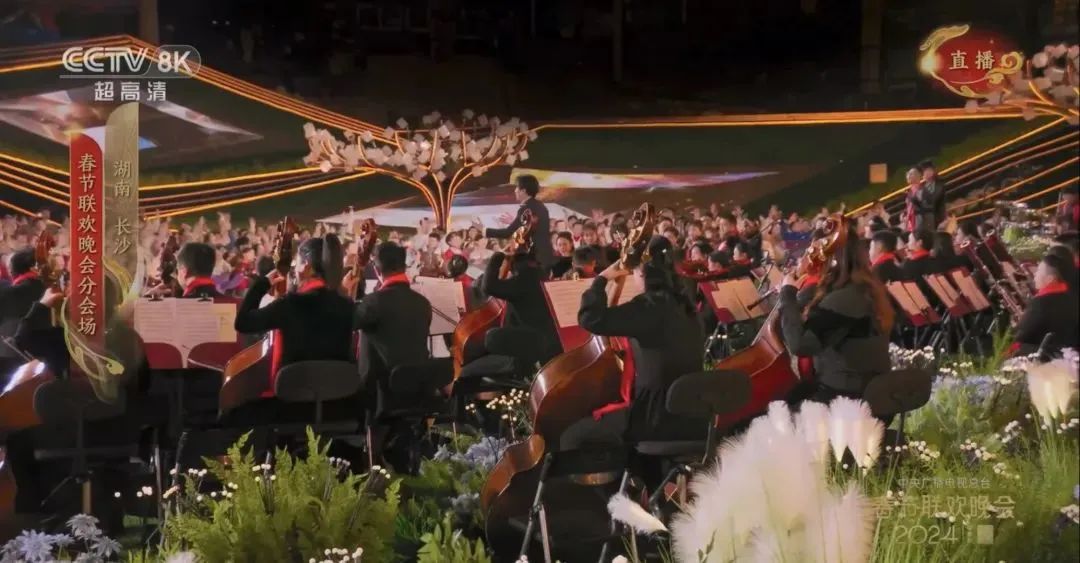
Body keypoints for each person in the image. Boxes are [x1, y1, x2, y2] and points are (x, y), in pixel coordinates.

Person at [560, 236, 706, 452]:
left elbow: (590, 318)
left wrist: (601, 279)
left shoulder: (649, 306)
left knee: (572, 437)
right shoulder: (684, 304)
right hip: (690, 415)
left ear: (642, 273)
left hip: (655, 418)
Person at [232, 234, 355, 421]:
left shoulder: (289, 304)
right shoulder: (347, 305)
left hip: (291, 404)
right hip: (338, 405)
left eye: (296, 264)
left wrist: (262, 284)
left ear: (306, 267)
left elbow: (243, 323)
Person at [779, 224, 894, 403]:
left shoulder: (844, 298)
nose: (812, 260)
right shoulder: (864, 287)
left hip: (849, 396)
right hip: (867, 386)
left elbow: (800, 345)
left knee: (780, 408)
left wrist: (787, 293)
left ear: (831, 259)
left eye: (816, 253)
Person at [350, 241, 432, 386]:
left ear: (377, 269)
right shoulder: (423, 302)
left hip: (381, 389)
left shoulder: (373, 302)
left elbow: (347, 323)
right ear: (404, 267)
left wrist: (347, 291)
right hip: (418, 385)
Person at [474, 174, 554, 270]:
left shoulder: (526, 209)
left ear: (523, 191)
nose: (515, 191)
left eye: (517, 188)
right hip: (543, 256)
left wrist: (483, 230)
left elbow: (508, 232)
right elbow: (531, 229)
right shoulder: (540, 206)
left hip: (532, 258)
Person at [1012, 253, 1078, 356]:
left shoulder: (1041, 302)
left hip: (1049, 357)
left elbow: (1020, 336)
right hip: (1072, 354)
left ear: (1050, 278)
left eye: (1038, 271)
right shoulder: (1073, 297)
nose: (1035, 275)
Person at [0, 249, 43, 382]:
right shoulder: (51, 289)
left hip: (9, 358)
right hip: (46, 359)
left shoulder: (7, 293)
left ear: (12, 271)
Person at [920, 160, 947, 229]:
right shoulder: (922, 189)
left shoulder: (940, 185)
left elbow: (943, 204)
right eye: (924, 172)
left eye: (928, 170)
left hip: (940, 220)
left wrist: (945, 220)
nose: (925, 174)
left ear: (933, 172)